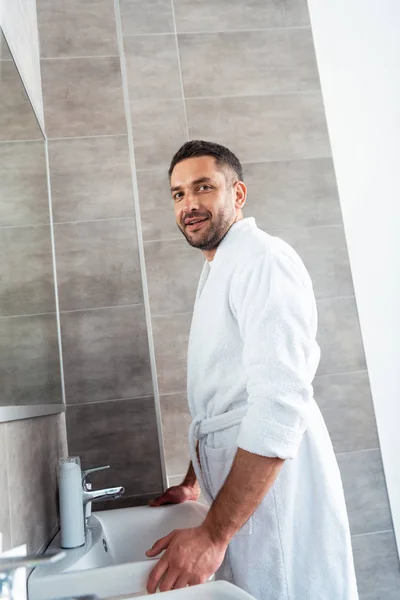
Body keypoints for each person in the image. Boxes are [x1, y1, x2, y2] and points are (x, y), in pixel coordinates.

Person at [145, 140, 359, 600]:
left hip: (274, 489)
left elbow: (278, 402)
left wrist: (213, 534)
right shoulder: (222, 265)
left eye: (204, 187)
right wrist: (192, 481)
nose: (190, 204)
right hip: (235, 483)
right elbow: (224, 391)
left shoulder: (262, 259)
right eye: (178, 194)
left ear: (237, 195)